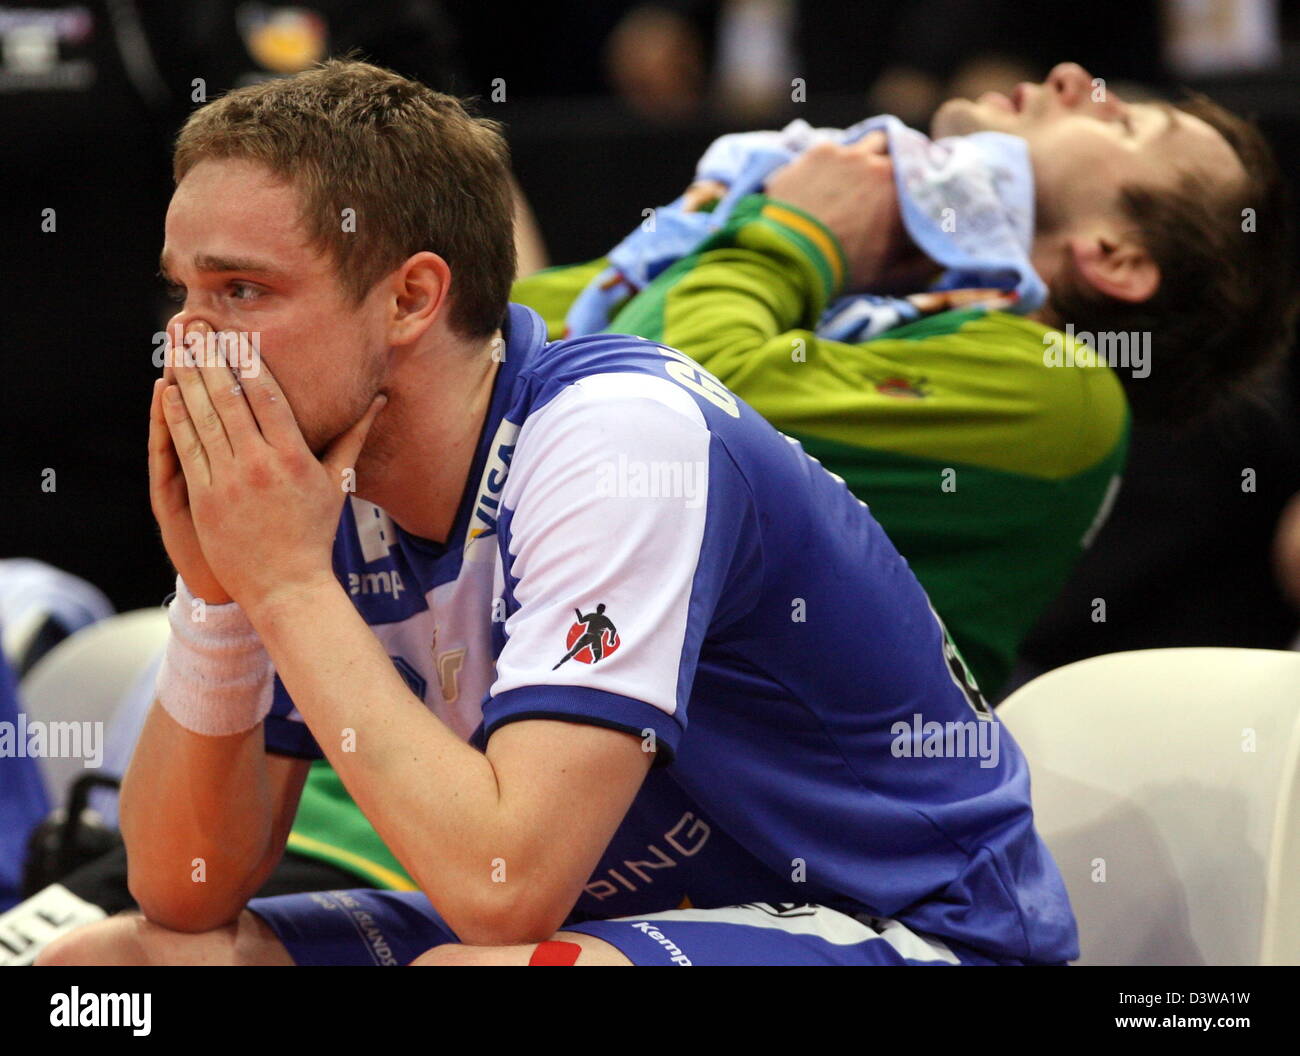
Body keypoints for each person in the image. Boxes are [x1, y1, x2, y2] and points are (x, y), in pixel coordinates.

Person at [37, 59, 1074, 966]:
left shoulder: (618, 438)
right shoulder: (309, 484)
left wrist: (286, 584)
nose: (189, 343)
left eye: (242, 292)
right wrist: (221, 598)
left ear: (410, 299)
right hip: (635, 922)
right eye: (184, 294)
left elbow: (500, 886)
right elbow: (184, 888)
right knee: (110, 964)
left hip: (912, 929)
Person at [514, 61, 1295, 698]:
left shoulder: (1061, 391)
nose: (1071, 78)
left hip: (770, 861)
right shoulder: (879, 298)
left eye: (1121, 121)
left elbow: (649, 407)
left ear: (1115, 256)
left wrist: (798, 233)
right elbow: (506, 336)